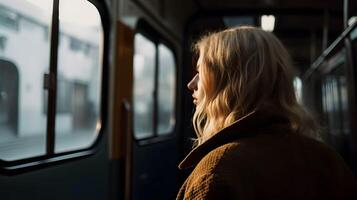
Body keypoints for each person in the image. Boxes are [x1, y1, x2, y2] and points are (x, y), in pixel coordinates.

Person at [177, 26, 357, 200]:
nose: (191, 84)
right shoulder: (328, 160)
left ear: (229, 83)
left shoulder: (215, 172)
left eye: (201, 72)